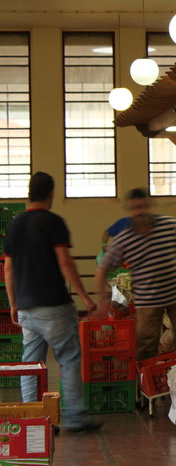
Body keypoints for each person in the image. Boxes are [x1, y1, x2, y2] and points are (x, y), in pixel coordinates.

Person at [3, 172, 101, 432]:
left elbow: (9, 269)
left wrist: (14, 303)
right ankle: (74, 418)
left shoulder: (14, 225)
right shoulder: (53, 222)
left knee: (30, 364)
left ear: (28, 194)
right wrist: (84, 297)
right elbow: (65, 262)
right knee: (68, 359)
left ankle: (33, 419)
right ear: (51, 194)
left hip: (26, 308)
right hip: (54, 307)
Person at [94, 188, 176, 360]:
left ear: (150, 206)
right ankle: (148, 382)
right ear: (129, 210)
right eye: (135, 208)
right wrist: (101, 299)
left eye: (142, 206)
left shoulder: (169, 225)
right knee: (145, 345)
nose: (139, 212)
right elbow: (102, 268)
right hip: (148, 301)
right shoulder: (126, 237)